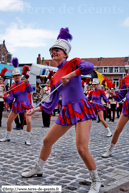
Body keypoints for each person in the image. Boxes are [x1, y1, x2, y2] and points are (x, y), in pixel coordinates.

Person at [21, 27, 101, 193]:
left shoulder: (73, 63)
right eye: (51, 51)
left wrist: (71, 74)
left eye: (56, 50)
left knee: (81, 148)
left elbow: (89, 67)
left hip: (81, 108)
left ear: (65, 53)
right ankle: (38, 168)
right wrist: (34, 110)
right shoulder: (55, 76)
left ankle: (96, 180)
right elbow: (51, 101)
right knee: (46, 141)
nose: (53, 52)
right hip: (66, 112)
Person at [0, 58, 33, 145]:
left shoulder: (24, 83)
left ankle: (28, 139)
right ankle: (7, 137)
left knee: (29, 121)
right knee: (9, 122)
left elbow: (30, 91)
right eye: (16, 75)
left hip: (26, 104)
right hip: (17, 105)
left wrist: (27, 83)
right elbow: (10, 99)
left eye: (19, 75)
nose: (18, 76)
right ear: (13, 77)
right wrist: (3, 97)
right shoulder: (12, 87)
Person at [102, 74, 129, 158]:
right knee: (117, 130)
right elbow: (120, 96)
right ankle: (110, 150)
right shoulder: (127, 78)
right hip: (127, 109)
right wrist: (114, 94)